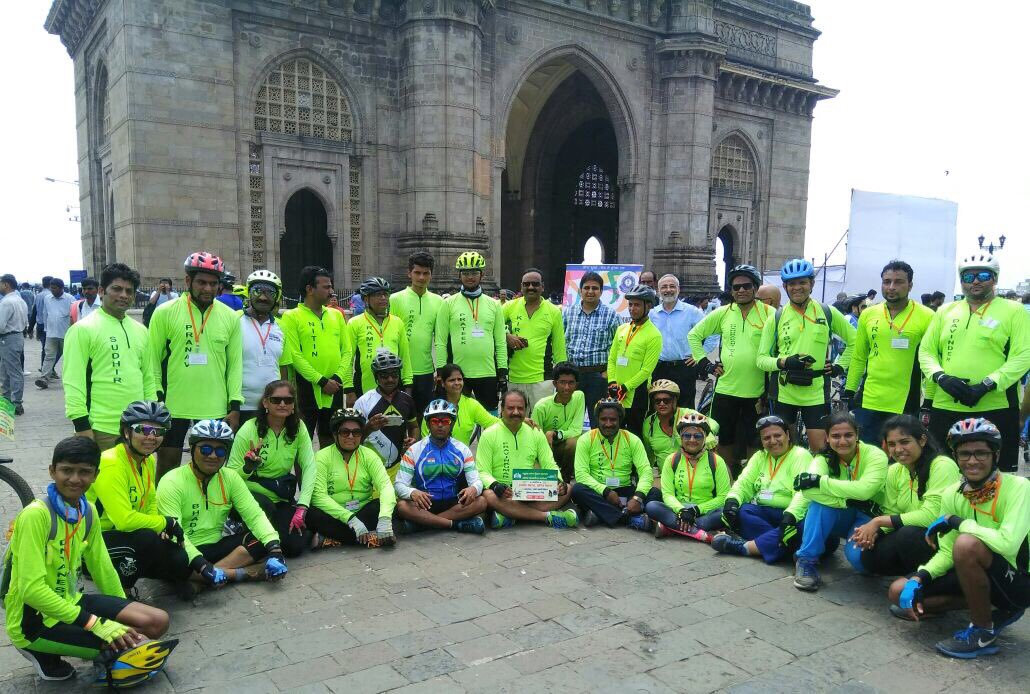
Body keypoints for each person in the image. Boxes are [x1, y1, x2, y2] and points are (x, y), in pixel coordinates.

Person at [3, 436, 174, 686]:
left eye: (84, 472)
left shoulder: (88, 510)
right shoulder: (35, 516)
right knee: (136, 646)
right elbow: (31, 590)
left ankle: (101, 648)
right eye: (66, 470)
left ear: (95, 475)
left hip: (72, 601)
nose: (75, 479)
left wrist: (118, 621)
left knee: (156, 622)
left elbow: (103, 568)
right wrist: (95, 623)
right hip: (35, 622)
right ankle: (41, 652)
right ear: (52, 471)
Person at [889, 418, 1028, 658]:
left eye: (981, 453)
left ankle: (983, 632)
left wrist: (958, 522)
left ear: (995, 455)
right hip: (980, 570)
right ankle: (985, 605)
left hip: (1019, 579)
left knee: (967, 544)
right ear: (956, 456)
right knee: (898, 590)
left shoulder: (1019, 487)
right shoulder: (952, 494)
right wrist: (921, 576)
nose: (972, 461)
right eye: (964, 454)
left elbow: (1008, 543)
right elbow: (946, 550)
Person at [919, 252, 1030, 473]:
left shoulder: (1014, 311)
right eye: (968, 277)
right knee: (943, 471)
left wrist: (987, 384)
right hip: (946, 406)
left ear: (995, 279)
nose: (975, 281)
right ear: (961, 281)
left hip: (996, 405)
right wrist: (942, 377)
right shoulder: (945, 311)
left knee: (997, 475)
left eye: (983, 275)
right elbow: (926, 351)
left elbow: (1023, 355)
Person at [157, 420, 288, 584]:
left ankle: (200, 581)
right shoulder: (171, 481)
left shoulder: (230, 477)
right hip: (184, 548)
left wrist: (275, 550)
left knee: (267, 537)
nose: (212, 456)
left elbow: (254, 515)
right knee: (170, 557)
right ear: (191, 449)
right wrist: (202, 565)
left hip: (216, 545)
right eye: (205, 449)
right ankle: (241, 573)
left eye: (220, 451)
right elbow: (175, 535)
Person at [148, 252, 243, 479]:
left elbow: (235, 364)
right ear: (188, 281)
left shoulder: (230, 317)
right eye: (201, 282)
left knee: (210, 467)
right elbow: (151, 360)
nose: (208, 289)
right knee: (167, 466)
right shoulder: (165, 313)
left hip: (214, 405)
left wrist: (234, 406)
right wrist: (156, 399)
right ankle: (164, 513)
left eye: (213, 283)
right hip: (173, 405)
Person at [85, 402, 192, 594]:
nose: (151, 437)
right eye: (143, 429)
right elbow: (124, 520)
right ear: (127, 432)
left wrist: (160, 528)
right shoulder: (110, 463)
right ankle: (121, 592)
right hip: (93, 542)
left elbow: (150, 500)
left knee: (179, 560)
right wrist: (165, 523)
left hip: (126, 537)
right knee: (147, 539)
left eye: (158, 431)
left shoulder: (147, 459)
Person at [757, 259, 855, 453]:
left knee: (820, 449)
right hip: (785, 391)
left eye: (802, 282)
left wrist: (839, 365)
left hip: (816, 392)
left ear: (812, 284)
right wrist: (784, 362)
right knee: (785, 448)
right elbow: (761, 360)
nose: (797, 288)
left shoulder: (827, 312)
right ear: (785, 287)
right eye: (791, 284)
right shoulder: (776, 317)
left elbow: (856, 341)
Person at [846, 415, 961, 576]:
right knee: (868, 557)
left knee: (907, 535)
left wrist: (878, 522)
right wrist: (873, 534)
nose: (898, 449)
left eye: (905, 442)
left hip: (944, 539)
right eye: (892, 444)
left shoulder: (942, 466)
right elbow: (890, 510)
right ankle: (912, 577)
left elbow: (933, 516)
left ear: (922, 440)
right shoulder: (895, 470)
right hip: (913, 535)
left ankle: (931, 581)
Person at [791, 412, 889, 592]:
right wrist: (849, 502)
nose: (842, 441)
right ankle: (806, 560)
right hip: (841, 512)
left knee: (860, 563)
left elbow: (865, 490)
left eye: (848, 435)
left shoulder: (875, 455)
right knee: (819, 505)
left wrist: (822, 482)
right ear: (827, 438)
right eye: (836, 436)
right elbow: (807, 491)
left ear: (857, 435)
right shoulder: (822, 458)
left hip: (868, 517)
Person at [63, 264, 154, 451]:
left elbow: (148, 377)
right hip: (101, 427)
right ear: (102, 291)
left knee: (138, 479)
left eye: (129, 291)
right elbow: (73, 381)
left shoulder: (140, 331)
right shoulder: (83, 329)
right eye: (117, 289)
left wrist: (152, 418)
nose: (124, 295)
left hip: (139, 427)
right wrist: (81, 426)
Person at [688, 265, 773, 466]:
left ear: (755, 288)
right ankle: (725, 480)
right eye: (736, 287)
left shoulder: (770, 313)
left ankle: (751, 480)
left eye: (746, 286)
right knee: (724, 438)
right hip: (726, 388)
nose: (741, 290)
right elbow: (694, 335)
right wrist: (705, 364)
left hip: (757, 390)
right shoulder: (724, 312)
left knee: (755, 439)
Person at [844, 261, 936, 444]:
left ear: (910, 285)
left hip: (905, 403)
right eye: (887, 282)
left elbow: (931, 362)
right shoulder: (869, 314)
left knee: (901, 458)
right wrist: (849, 390)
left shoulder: (927, 316)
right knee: (868, 456)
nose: (891, 287)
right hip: (869, 400)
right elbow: (859, 357)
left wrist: (928, 402)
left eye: (898, 282)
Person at [226, 381, 315, 558]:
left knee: (294, 547)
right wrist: (247, 467)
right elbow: (229, 475)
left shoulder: (298, 427)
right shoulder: (249, 429)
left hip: (279, 495)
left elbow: (309, 466)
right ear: (265, 403)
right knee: (266, 509)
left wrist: (302, 506)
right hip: (249, 493)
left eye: (288, 400)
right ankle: (236, 524)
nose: (282, 404)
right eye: (276, 400)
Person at [711, 415, 814, 562]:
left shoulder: (800, 455)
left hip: (792, 515)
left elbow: (802, 494)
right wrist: (732, 501)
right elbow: (744, 483)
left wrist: (790, 516)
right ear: (761, 440)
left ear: (788, 435)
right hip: (766, 511)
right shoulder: (760, 456)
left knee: (805, 525)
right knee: (743, 511)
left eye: (777, 435)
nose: (772, 441)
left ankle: (746, 548)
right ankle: (783, 545)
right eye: (766, 438)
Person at [478, 390, 579, 529]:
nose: (515, 412)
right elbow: (482, 471)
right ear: (502, 410)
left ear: (526, 410)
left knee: (568, 488)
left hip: (530, 490)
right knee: (488, 495)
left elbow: (549, 462)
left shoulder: (535, 432)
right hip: (504, 493)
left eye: (520, 408)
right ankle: (547, 517)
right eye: (510, 408)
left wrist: (559, 481)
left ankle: (511, 515)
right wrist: (495, 485)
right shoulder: (489, 434)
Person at [279, 266, 351, 448]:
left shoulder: (336, 315)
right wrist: (320, 381)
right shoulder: (291, 317)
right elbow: (294, 355)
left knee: (331, 438)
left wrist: (336, 378)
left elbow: (347, 351)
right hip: (306, 389)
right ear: (309, 289)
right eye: (326, 287)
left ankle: (327, 475)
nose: (331, 291)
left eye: (331, 286)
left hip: (335, 387)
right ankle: (302, 478)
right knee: (301, 441)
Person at [394, 399, 488, 533]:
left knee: (482, 501)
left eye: (445, 421)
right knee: (402, 506)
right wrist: (412, 492)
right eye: (434, 421)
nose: (440, 425)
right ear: (427, 424)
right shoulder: (414, 450)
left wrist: (473, 489)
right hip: (426, 503)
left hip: (453, 502)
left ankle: (423, 524)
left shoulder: (462, 450)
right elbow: (399, 485)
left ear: (452, 424)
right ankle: (455, 525)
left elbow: (477, 481)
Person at [307, 408, 397, 548]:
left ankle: (332, 539)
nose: (350, 437)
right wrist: (350, 519)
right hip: (335, 516)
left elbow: (386, 486)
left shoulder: (369, 455)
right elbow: (318, 496)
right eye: (344, 432)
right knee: (311, 513)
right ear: (335, 434)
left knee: (383, 506)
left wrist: (385, 519)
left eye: (356, 432)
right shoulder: (321, 457)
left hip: (363, 513)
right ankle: (372, 537)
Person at [435, 251, 508, 413]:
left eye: (474, 272)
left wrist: (502, 372)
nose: (470, 277)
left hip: (487, 372)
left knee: (491, 420)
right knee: (457, 417)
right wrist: (441, 373)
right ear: (459, 275)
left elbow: (501, 342)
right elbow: (440, 341)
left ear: (482, 275)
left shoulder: (494, 305)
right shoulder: (447, 304)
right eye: (465, 273)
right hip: (457, 375)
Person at [571, 399, 660, 528]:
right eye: (603, 419)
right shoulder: (586, 439)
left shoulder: (632, 439)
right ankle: (628, 519)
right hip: (599, 492)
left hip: (626, 491)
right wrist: (606, 492)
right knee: (577, 490)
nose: (608, 424)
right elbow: (581, 475)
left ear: (620, 420)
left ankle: (600, 514)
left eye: (613, 420)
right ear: (597, 419)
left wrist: (637, 497)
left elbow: (645, 471)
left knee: (654, 493)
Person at [644, 413, 733, 539]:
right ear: (680, 437)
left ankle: (671, 529)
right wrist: (682, 511)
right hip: (678, 511)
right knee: (651, 506)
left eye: (697, 436)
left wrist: (696, 510)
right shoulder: (672, 459)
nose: (692, 440)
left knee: (726, 513)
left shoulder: (717, 461)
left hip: (705, 512)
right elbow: (668, 494)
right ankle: (701, 533)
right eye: (687, 435)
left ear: (705, 437)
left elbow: (723, 496)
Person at [563, 270, 623, 427]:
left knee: (598, 418)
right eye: (587, 287)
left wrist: (608, 373)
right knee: (569, 419)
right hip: (573, 376)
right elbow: (562, 341)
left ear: (601, 291)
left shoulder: (611, 316)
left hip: (598, 376)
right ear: (580, 290)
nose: (590, 291)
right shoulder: (568, 313)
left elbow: (619, 347)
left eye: (595, 288)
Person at [504, 268, 567, 411]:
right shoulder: (509, 307)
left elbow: (559, 348)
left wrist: (562, 380)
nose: (530, 287)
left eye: (535, 284)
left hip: (543, 380)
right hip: (513, 378)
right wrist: (506, 336)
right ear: (521, 287)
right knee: (515, 424)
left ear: (542, 287)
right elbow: (492, 328)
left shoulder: (553, 311)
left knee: (540, 426)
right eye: (526, 284)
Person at [344, 277, 412, 405]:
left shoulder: (397, 322)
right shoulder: (354, 323)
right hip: (365, 387)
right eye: (377, 295)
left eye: (385, 294)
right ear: (365, 299)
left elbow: (405, 356)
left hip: (394, 385)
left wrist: (408, 385)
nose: (383, 298)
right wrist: (349, 390)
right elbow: (348, 358)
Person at [390, 251, 443, 414]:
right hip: (399, 370)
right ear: (409, 273)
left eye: (426, 273)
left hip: (426, 371)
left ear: (431, 275)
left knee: (423, 417)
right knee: (398, 417)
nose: (421, 277)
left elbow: (440, 339)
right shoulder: (395, 299)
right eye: (417, 273)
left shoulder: (438, 301)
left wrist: (440, 370)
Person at [353, 349, 419, 478]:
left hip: (397, 467)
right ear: (376, 377)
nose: (390, 379)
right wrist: (369, 427)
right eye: (384, 376)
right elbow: (352, 438)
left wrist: (413, 440)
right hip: (369, 468)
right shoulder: (363, 402)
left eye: (394, 375)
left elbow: (414, 426)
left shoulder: (406, 400)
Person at [608, 284, 663, 435]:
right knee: (614, 433)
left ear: (649, 306)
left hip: (637, 394)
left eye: (637, 305)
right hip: (616, 392)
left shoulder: (654, 335)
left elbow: (647, 370)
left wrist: (626, 387)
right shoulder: (622, 329)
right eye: (630, 304)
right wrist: (612, 382)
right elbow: (612, 359)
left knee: (634, 435)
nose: (632, 308)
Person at [239, 270, 290, 424]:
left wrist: (285, 400)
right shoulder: (234, 320)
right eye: (257, 291)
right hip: (240, 405)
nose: (263, 297)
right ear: (249, 294)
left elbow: (283, 367)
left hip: (271, 406)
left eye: (270, 293)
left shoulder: (282, 327)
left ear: (277, 297)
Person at [650, 274, 704, 408]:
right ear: (658, 291)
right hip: (659, 368)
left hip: (684, 367)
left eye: (672, 286)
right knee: (659, 406)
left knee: (685, 407)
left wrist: (699, 354)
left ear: (678, 289)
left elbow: (712, 334)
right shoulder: (652, 314)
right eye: (664, 287)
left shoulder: (692, 312)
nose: (668, 290)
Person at [640, 379, 718, 470]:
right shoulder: (649, 424)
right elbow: (649, 455)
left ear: (675, 400)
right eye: (657, 401)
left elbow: (714, 423)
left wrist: (709, 434)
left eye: (666, 400)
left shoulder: (686, 414)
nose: (662, 404)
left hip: (693, 472)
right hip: (666, 476)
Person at [531, 362, 586, 482]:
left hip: (564, 448)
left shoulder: (579, 397)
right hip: (544, 449)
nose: (567, 387)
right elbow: (533, 436)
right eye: (562, 382)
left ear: (577, 384)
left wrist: (555, 433)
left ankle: (565, 480)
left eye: (571, 382)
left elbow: (576, 430)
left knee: (574, 442)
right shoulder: (542, 406)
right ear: (555, 383)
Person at [420, 363, 498, 445]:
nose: (457, 383)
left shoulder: (471, 404)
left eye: (459, 379)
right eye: (452, 380)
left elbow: (495, 424)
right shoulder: (433, 407)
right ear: (443, 383)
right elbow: (425, 439)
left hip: (462, 456)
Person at [35, 277, 75, 388]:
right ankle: (44, 379)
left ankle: (71, 379)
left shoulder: (70, 298)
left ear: (61, 288)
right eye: (51, 288)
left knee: (69, 357)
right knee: (49, 356)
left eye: (55, 288)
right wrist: (45, 329)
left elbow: (73, 315)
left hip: (66, 333)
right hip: (51, 333)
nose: (52, 290)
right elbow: (45, 313)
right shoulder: (47, 298)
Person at [0, 273, 28, 416]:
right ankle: (6, 402)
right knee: (5, 371)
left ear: (6, 285)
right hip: (16, 336)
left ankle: (16, 403)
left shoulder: (6, 302)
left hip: (8, 338)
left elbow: (0, 325)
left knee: (13, 372)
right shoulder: (19, 300)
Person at [29, 276, 51, 372]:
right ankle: (46, 368)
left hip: (40, 325)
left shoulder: (38, 295)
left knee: (45, 348)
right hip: (49, 325)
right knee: (52, 349)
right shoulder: (51, 295)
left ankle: (45, 367)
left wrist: (30, 327)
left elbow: (34, 312)